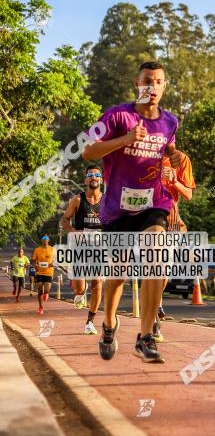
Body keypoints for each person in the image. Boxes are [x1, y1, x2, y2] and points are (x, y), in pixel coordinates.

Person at [82, 61, 182, 363]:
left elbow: (167, 147)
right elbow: (88, 150)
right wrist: (125, 140)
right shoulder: (117, 115)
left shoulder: (170, 121)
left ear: (165, 86)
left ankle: (146, 335)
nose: (153, 87)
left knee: (157, 256)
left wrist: (173, 156)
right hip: (117, 210)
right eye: (147, 81)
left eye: (159, 81)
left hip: (154, 203)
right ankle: (110, 325)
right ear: (136, 85)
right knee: (117, 277)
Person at [153, 150, 195, 340]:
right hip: (147, 217)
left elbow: (188, 194)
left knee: (163, 272)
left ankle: (156, 304)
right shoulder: (144, 155)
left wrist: (174, 181)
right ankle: (154, 320)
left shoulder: (181, 159)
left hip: (172, 221)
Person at [60, 164, 104, 335]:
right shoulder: (78, 200)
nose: (94, 177)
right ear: (86, 179)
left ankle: (90, 322)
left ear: (101, 179)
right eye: (90, 175)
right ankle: (79, 293)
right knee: (79, 288)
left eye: (97, 175)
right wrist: (73, 232)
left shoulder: (107, 201)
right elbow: (64, 220)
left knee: (97, 282)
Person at [31, 235, 56, 315]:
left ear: (48, 240)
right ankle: (40, 307)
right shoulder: (37, 250)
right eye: (43, 239)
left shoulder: (52, 249)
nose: (45, 240)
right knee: (39, 290)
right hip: (39, 272)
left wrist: (53, 264)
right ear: (41, 241)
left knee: (46, 290)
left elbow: (56, 260)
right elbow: (33, 260)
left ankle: (46, 294)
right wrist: (35, 265)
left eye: (46, 239)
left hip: (49, 272)